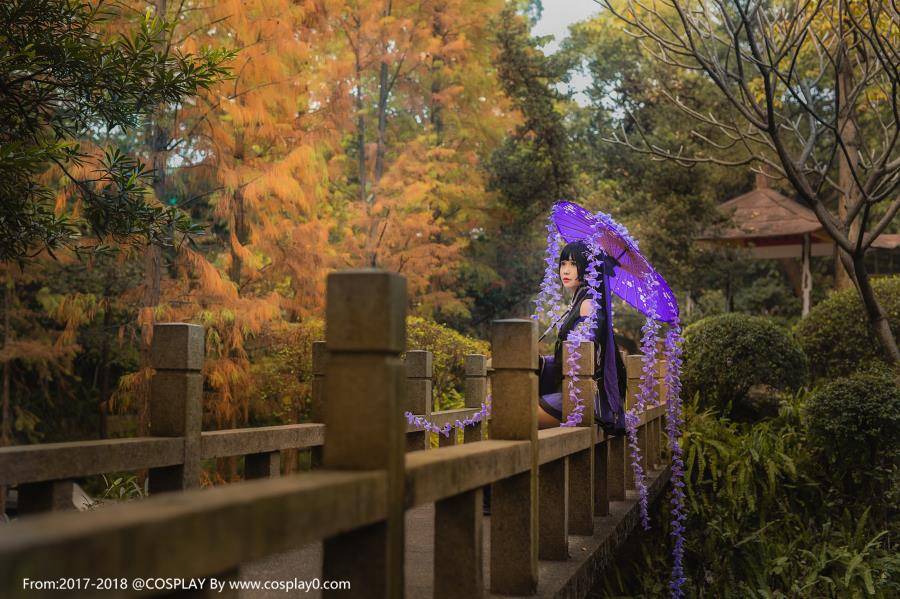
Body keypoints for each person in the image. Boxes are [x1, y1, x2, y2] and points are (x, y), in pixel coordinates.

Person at [537, 240, 627, 432]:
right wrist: (540, 362)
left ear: (588, 269)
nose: (566, 271)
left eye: (573, 264)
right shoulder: (581, 301)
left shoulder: (588, 304)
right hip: (574, 388)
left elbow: (581, 354)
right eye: (563, 264)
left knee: (520, 416)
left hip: (581, 395)